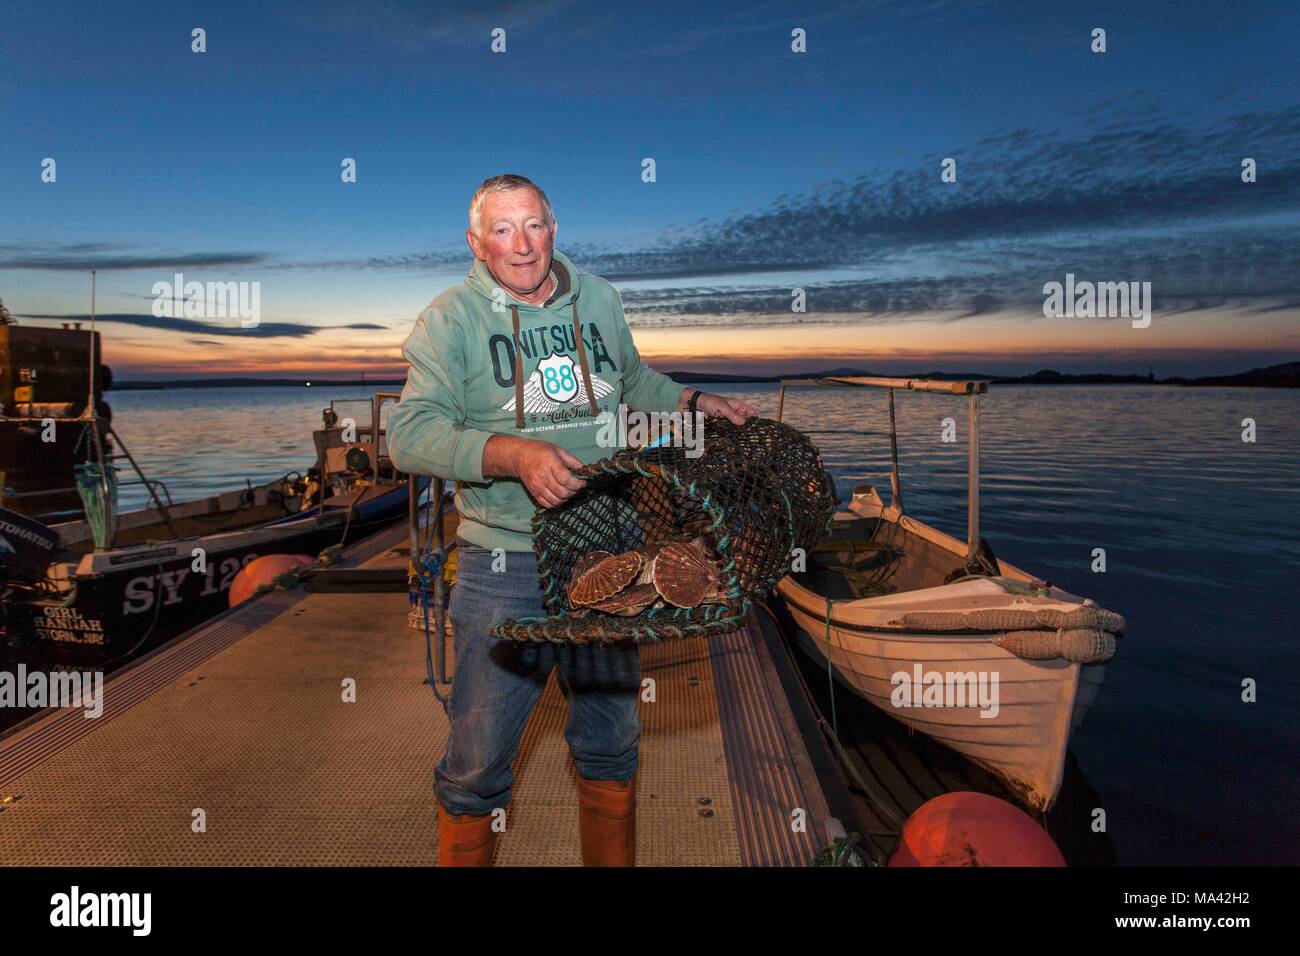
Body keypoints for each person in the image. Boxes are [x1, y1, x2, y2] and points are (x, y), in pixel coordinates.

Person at [387, 174, 756, 866]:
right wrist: (511, 454)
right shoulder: (450, 321)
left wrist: (695, 401)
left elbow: (634, 382)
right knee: (476, 767)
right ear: (475, 242)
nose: (521, 245)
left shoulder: (602, 299)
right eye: (502, 229)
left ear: (554, 231)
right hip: (505, 562)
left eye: (534, 225)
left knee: (610, 745)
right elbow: (408, 435)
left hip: (607, 553)